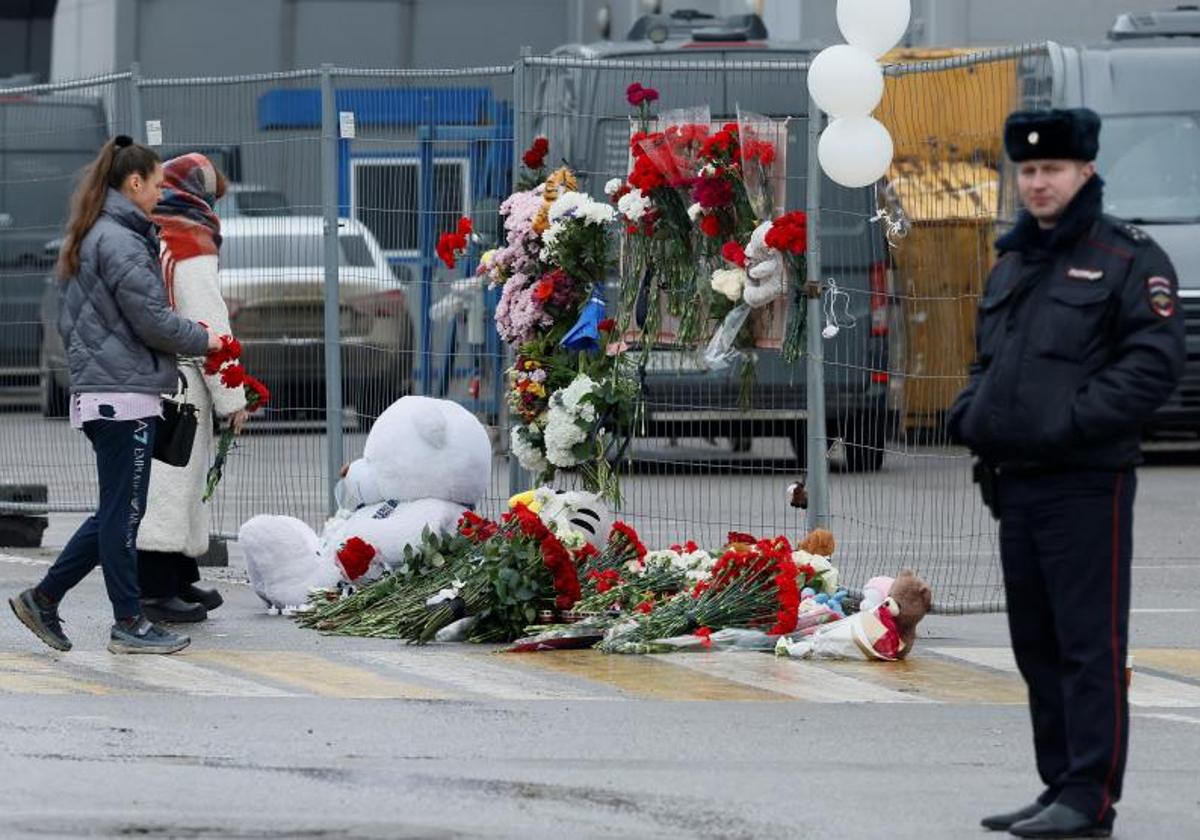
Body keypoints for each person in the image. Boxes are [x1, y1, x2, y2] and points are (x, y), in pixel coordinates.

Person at [949, 109, 1185, 838]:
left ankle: (1090, 797)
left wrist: (1069, 421)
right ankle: (1059, 785)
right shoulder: (1016, 259)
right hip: (1015, 481)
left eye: (1052, 170)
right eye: (1027, 171)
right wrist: (970, 409)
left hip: (1087, 481)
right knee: (1036, 642)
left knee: (1089, 644)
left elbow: (1152, 366)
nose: (1038, 183)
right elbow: (993, 360)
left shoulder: (1127, 258)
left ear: (1085, 171)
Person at [8, 136, 220, 655]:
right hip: (120, 395)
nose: (160, 194)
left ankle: (45, 597)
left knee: (116, 511)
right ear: (134, 183)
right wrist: (203, 337)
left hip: (112, 391)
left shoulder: (98, 231)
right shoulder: (121, 240)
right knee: (124, 515)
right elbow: (150, 319)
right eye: (156, 184)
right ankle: (127, 621)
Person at [136, 153, 248, 624]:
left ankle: (180, 577)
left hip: (159, 372)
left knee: (174, 482)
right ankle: (158, 591)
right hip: (183, 380)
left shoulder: (160, 231)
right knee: (172, 484)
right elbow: (208, 323)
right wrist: (232, 397)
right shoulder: (191, 242)